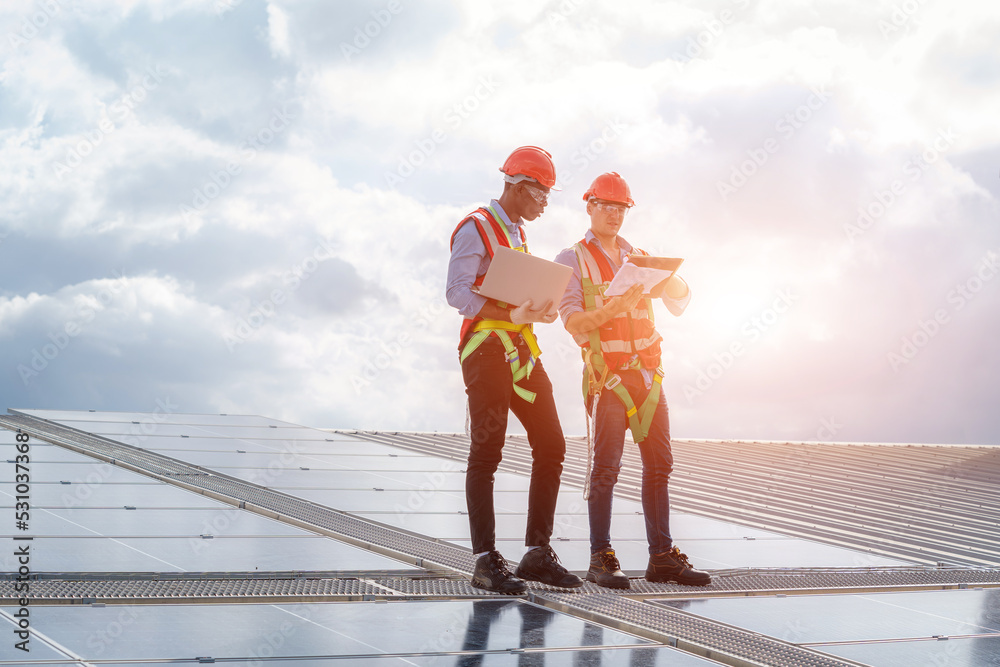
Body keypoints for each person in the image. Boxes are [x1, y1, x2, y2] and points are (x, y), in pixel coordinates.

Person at [554, 172, 711, 589]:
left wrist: (669, 277)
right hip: (609, 380)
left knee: (660, 465)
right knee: (606, 468)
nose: (613, 214)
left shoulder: (639, 256)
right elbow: (574, 323)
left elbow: (680, 300)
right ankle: (600, 557)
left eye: (620, 208)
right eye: (605, 206)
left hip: (649, 377)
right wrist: (613, 306)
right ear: (589, 207)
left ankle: (662, 557)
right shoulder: (571, 260)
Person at [446, 146, 583, 594]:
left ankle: (536, 554)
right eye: (541, 195)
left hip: (521, 351)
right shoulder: (476, 228)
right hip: (486, 350)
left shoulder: (517, 233)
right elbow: (457, 293)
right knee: (488, 451)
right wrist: (512, 317)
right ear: (517, 187)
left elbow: (512, 294)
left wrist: (535, 312)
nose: (545, 204)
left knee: (552, 444)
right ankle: (485, 560)